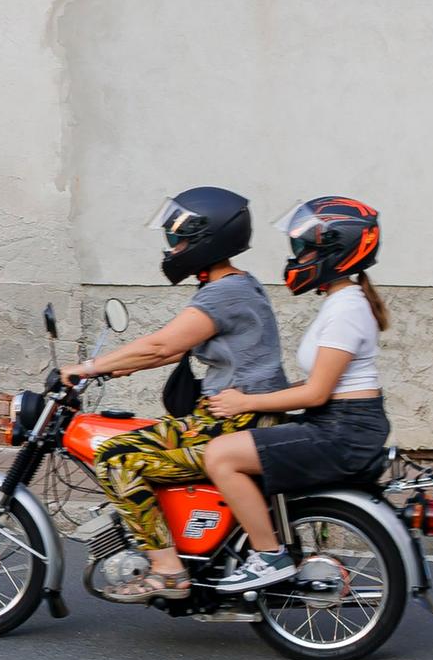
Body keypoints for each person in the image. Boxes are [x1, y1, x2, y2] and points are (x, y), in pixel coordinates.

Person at [61, 186, 287, 603]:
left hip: (230, 421)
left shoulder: (224, 293)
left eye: (178, 238)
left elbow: (163, 345)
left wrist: (87, 367)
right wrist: (121, 365)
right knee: (146, 437)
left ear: (207, 238)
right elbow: (174, 348)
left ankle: (167, 571)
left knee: (116, 457)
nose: (173, 248)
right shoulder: (239, 285)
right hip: (233, 417)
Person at [201, 196, 391, 590]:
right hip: (340, 425)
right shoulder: (343, 301)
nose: (298, 255)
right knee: (241, 446)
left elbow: (317, 392)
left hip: (343, 432)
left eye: (305, 246)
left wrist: (245, 402)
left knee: (221, 456)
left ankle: (269, 556)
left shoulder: (347, 309)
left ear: (335, 250)